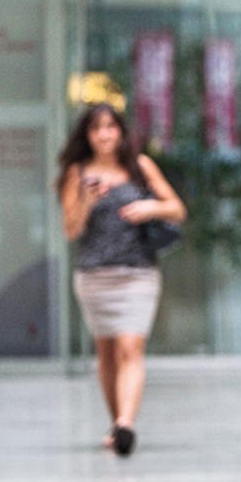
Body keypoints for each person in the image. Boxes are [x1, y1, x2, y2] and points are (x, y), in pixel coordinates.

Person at [56, 105, 186, 457]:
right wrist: (85, 200)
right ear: (87, 135)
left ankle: (126, 423)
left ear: (121, 131)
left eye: (110, 127)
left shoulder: (139, 167)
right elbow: (71, 229)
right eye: (97, 128)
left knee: (131, 348)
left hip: (138, 274)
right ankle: (118, 425)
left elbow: (177, 208)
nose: (104, 134)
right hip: (95, 276)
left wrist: (150, 208)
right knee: (107, 354)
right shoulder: (77, 173)